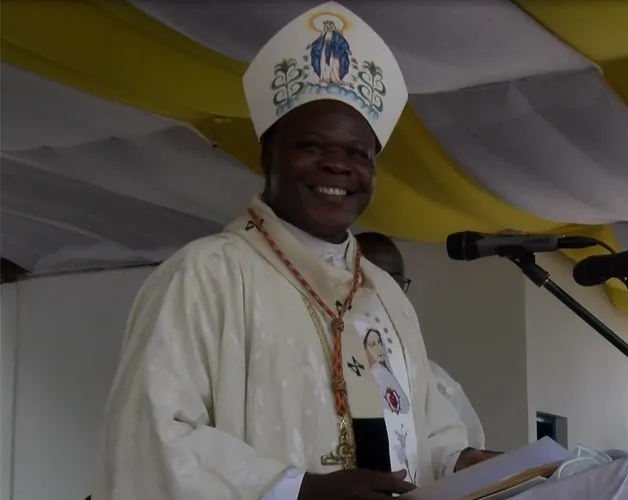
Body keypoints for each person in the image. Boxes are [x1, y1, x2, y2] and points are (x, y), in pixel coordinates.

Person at [92, 3, 498, 500]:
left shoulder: (386, 294)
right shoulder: (207, 275)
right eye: (312, 146)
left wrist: (462, 461)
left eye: (357, 154)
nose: (337, 166)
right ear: (269, 155)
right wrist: (297, 490)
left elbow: (427, 425)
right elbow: (151, 436)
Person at [355, 231, 487, 449]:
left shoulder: (435, 382)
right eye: (365, 279)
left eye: (393, 282)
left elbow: (463, 453)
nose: (381, 293)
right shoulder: (308, 366)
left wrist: (459, 461)